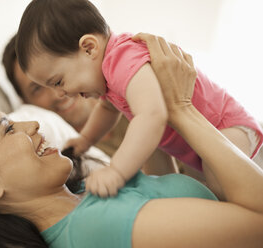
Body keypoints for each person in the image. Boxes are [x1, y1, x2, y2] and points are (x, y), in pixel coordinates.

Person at [0, 34, 263, 248]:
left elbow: (160, 182)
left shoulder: (88, 197)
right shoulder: (94, 229)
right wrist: (180, 108)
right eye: (7, 128)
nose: (29, 123)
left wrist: (149, 104)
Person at [15, 0, 263, 199]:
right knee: (198, 191)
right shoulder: (109, 79)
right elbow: (106, 108)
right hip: (204, 139)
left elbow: (151, 116)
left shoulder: (122, 59)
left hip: (225, 126)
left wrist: (117, 170)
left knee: (222, 193)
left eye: (58, 82)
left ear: (89, 48)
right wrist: (86, 139)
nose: (61, 93)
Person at [2, 34, 178, 176]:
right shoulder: (75, 162)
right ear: (25, 102)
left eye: (59, 77)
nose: (59, 92)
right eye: (37, 88)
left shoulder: (130, 91)